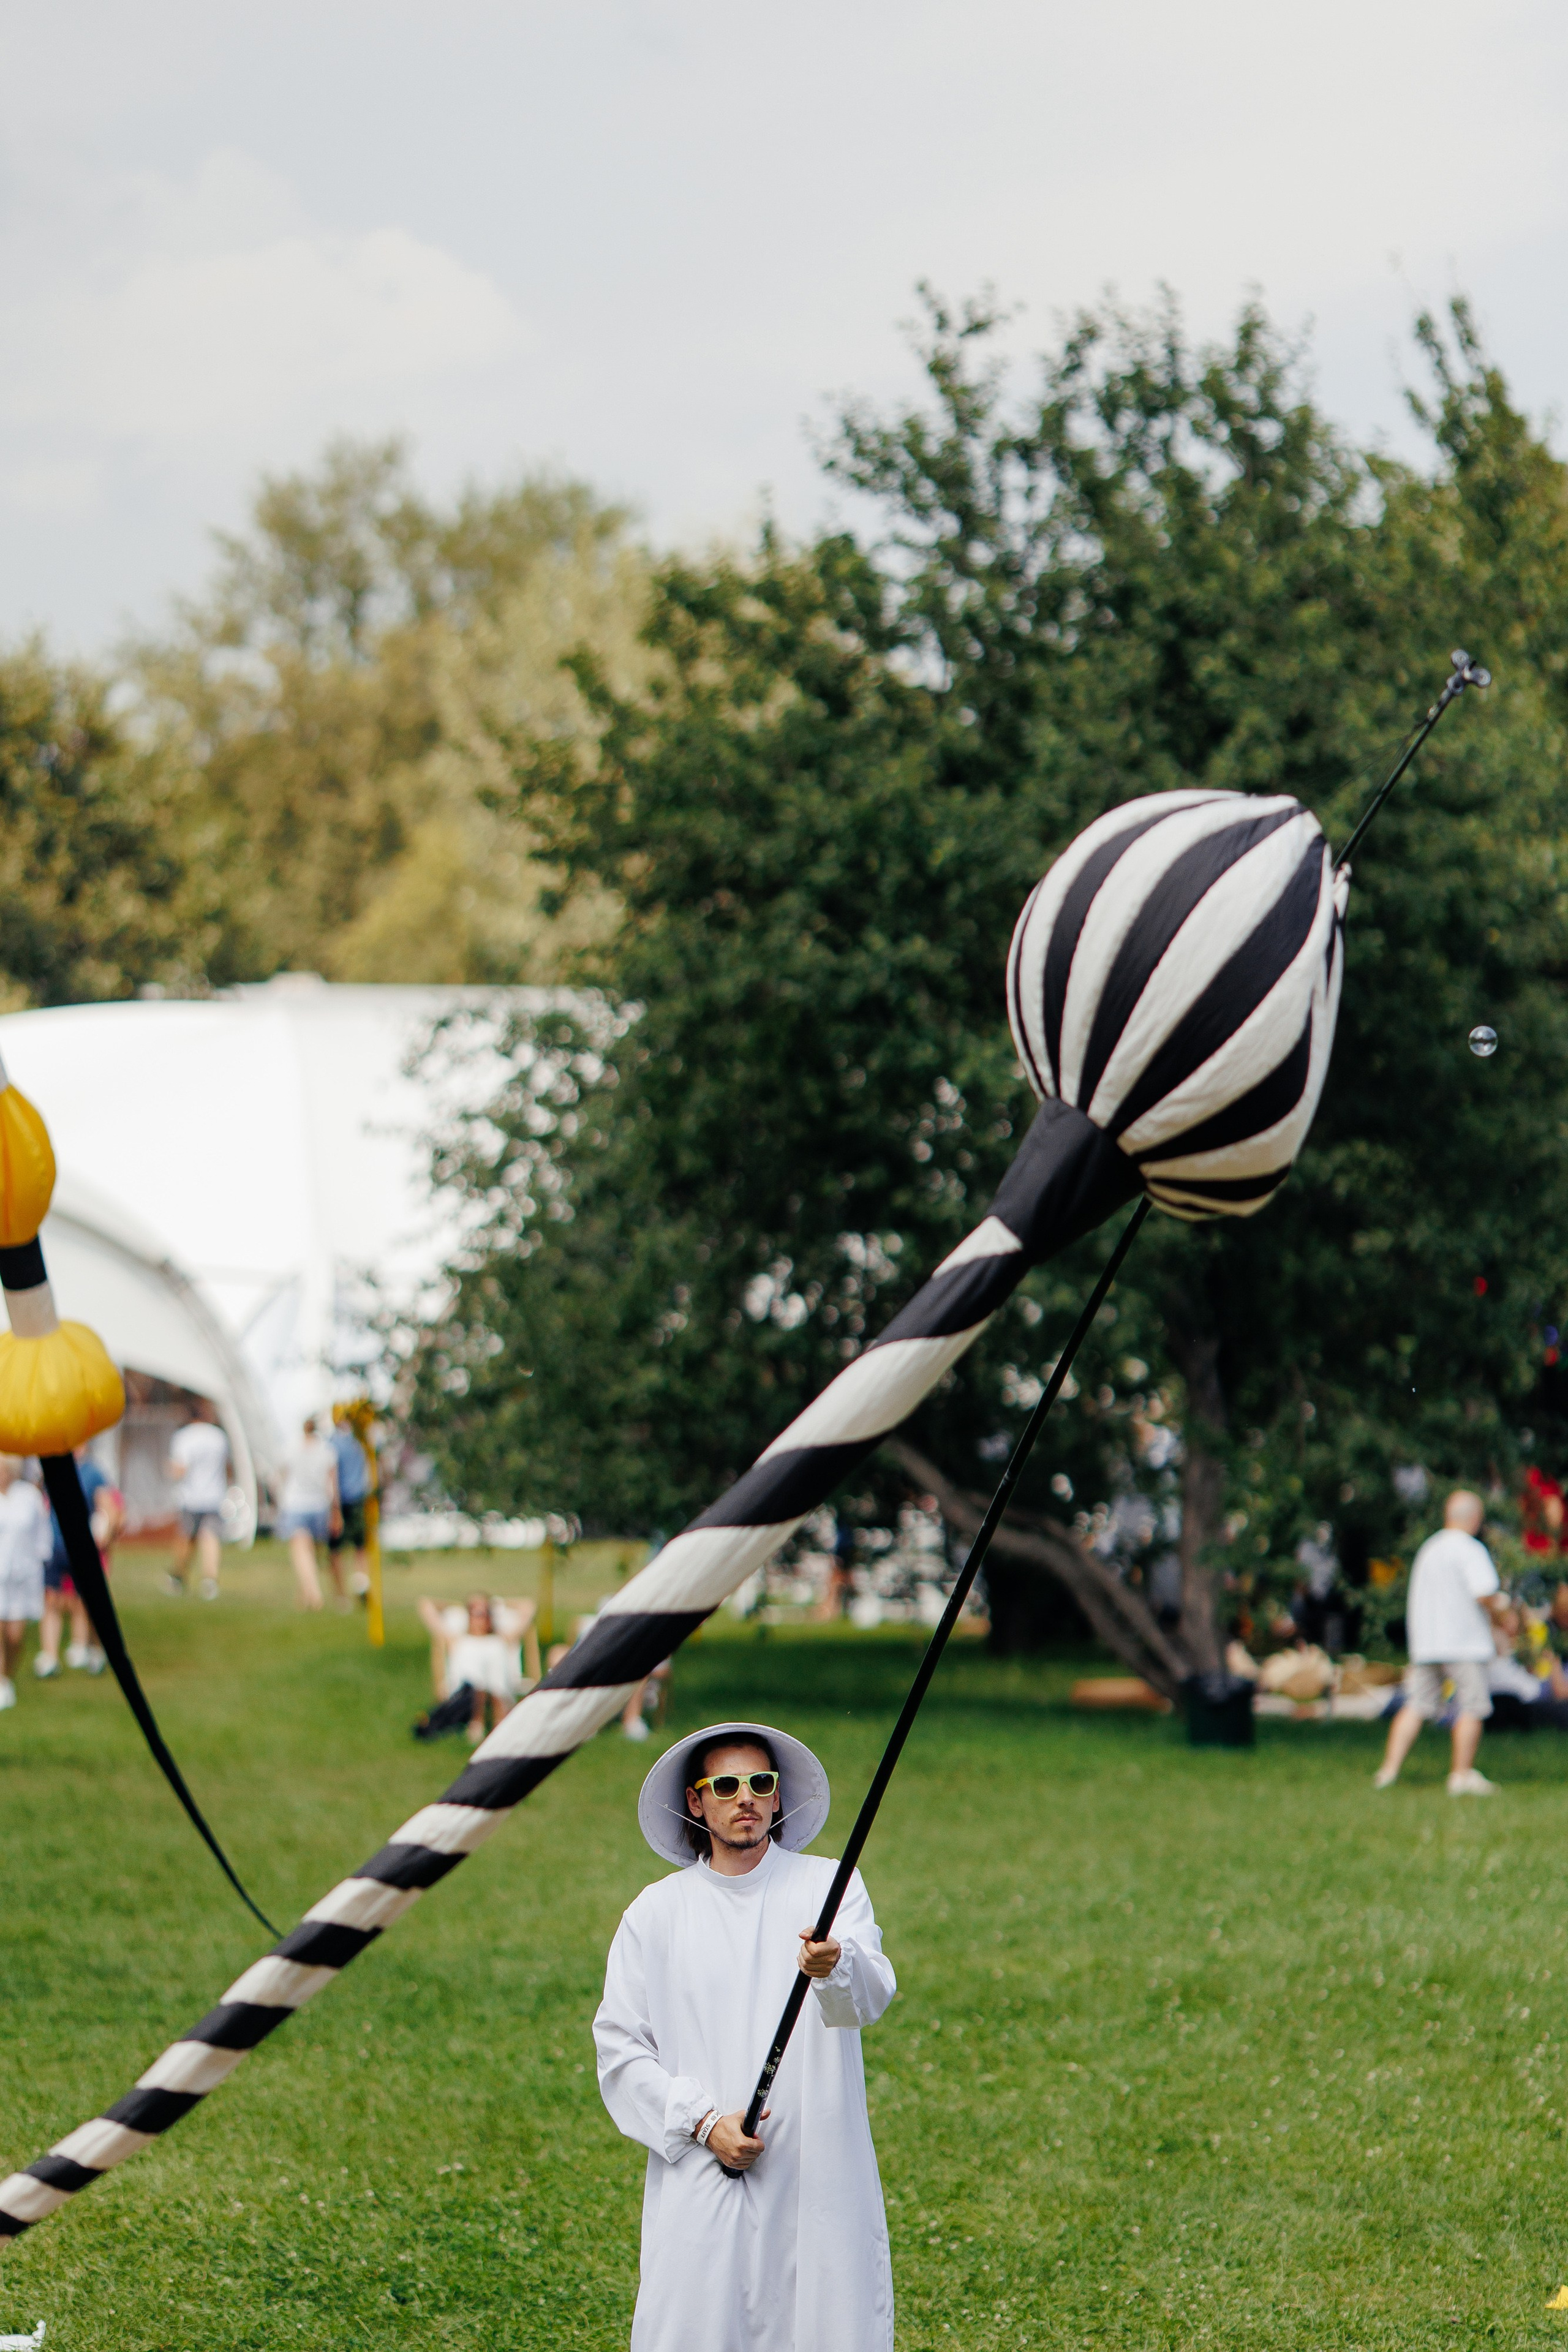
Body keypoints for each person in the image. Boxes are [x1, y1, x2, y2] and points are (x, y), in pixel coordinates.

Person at [595, 1721, 897, 2351]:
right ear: (696, 1801)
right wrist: (702, 2123)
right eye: (725, 1785)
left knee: (821, 2322)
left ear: (779, 1796)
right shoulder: (656, 1912)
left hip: (819, 2173)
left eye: (761, 1783)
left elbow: (868, 1996)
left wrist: (834, 1964)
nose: (746, 1798)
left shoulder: (828, 1888)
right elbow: (621, 2050)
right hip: (705, 2174)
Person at [1375, 1490, 1507, 1795]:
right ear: (1475, 1518)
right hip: (1464, 1643)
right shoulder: (1471, 1549)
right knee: (1472, 1706)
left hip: (1428, 1643)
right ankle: (1460, 1775)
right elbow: (1484, 1593)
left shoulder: (1429, 1549)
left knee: (1417, 1704)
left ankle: (1388, 1771)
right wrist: (1504, 1613)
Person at [35, 1446, 121, 1679]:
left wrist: (105, 1536)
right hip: (55, 1545)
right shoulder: (49, 1470)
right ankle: (50, 1656)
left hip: (83, 1548)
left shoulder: (92, 1473)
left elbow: (109, 1509)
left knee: (89, 1602)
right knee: (51, 1600)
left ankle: (92, 1649)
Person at [415, 1593, 538, 1743]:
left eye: (487, 1612)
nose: (482, 1618)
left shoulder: (505, 1638)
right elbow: (425, 1604)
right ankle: (488, 1721)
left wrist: (500, 1604)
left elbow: (528, 1606)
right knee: (478, 1680)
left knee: (493, 1659)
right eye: (475, 1612)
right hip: (465, 1692)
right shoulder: (456, 1639)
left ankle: (483, 1722)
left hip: (498, 1691)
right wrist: (456, 1607)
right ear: (468, 1616)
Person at [0, 1456, 53, 1709]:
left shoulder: (28, 1496)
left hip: (22, 1574)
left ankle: (8, 1676)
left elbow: (43, 1535)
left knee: (14, 1635)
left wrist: (42, 1562)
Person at [167, 1398, 230, 1599]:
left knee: (186, 1538)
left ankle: (179, 1577)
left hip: (191, 1497)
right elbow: (227, 1467)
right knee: (211, 1538)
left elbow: (180, 1471)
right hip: (214, 1495)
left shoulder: (184, 1437)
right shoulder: (219, 1437)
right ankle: (210, 1580)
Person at [277, 1415, 341, 1610]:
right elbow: (332, 1483)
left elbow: (282, 1475)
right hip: (319, 1504)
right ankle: (306, 1595)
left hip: (295, 1503)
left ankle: (314, 1593)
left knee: (300, 1552)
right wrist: (336, 1511)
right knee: (310, 1553)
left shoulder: (290, 1447)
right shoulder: (326, 1450)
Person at [328, 1408, 375, 1599]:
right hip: (360, 1499)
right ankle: (361, 1584)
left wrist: (334, 1508)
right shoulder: (361, 1439)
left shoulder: (333, 1442)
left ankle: (341, 1594)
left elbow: (332, 1476)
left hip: (341, 1501)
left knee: (336, 1550)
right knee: (360, 1547)